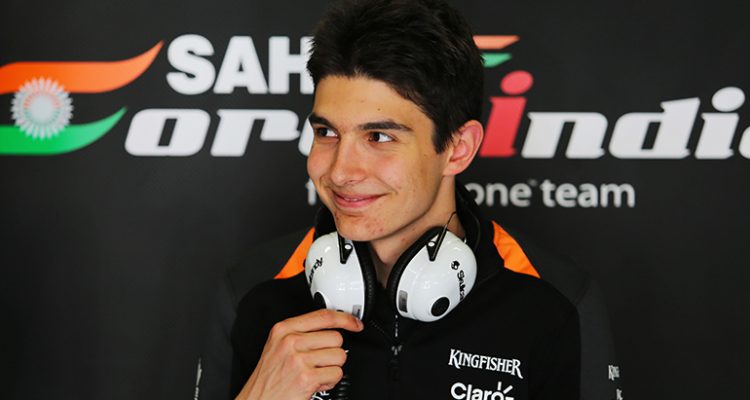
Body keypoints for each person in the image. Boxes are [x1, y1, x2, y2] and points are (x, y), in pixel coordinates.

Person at [198, 0, 623, 399]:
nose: (340, 171)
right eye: (326, 132)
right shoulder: (254, 291)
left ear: (457, 149)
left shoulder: (556, 302)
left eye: (379, 137)